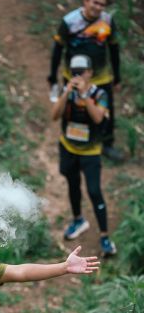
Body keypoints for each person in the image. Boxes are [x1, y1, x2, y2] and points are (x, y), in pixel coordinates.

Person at [48, 0, 123, 162]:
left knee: (106, 110)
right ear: (86, 1)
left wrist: (117, 77)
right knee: (73, 108)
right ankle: (71, 141)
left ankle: (107, 144)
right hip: (74, 77)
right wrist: (52, 76)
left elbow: (114, 49)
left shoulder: (107, 21)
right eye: (95, 2)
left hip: (101, 76)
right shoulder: (69, 21)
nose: (98, 7)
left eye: (102, 5)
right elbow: (58, 49)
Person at [52, 54, 117, 257]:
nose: (77, 75)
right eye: (74, 72)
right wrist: (66, 92)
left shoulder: (100, 94)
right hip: (69, 148)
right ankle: (78, 219)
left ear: (90, 73)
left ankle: (105, 237)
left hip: (90, 152)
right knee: (72, 184)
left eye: (81, 72)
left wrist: (84, 95)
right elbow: (55, 115)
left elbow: (98, 118)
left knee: (94, 191)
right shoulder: (67, 91)